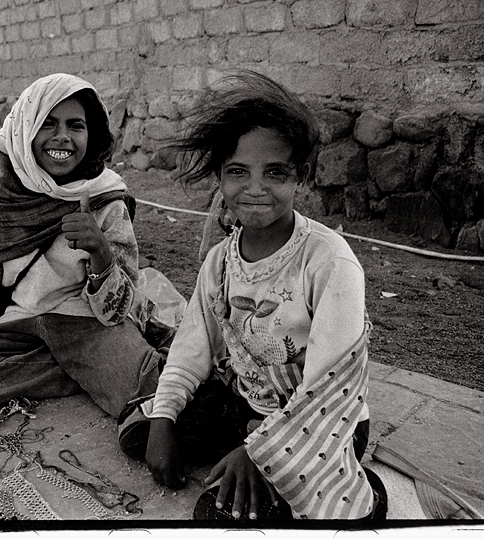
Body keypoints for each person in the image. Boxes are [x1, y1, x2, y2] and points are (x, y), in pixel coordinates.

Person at [117, 70, 387, 521]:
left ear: (301, 176)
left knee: (216, 514)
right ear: (220, 179)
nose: (256, 188)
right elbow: (190, 350)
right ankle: (243, 446)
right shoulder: (221, 261)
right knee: (141, 433)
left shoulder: (328, 262)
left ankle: (363, 490)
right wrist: (164, 419)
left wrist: (260, 453)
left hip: (319, 421)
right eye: (238, 172)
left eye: (275, 172)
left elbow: (328, 386)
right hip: (247, 402)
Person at [0, 73, 169, 419]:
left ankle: (92, 367)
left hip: (86, 325)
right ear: (25, 129)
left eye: (76, 126)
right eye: (48, 124)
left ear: (92, 134)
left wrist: (100, 252)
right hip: (19, 326)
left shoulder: (105, 198)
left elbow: (118, 311)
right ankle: (80, 373)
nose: (62, 137)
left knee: (149, 393)